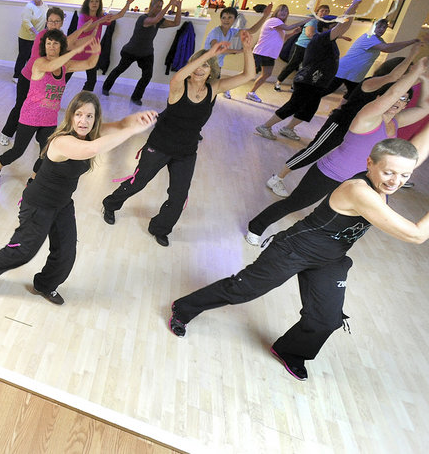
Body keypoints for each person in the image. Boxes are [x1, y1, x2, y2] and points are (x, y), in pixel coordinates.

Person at [170, 137, 429, 381]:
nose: (396, 181)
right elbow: (416, 235)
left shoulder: (389, 171)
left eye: (405, 175)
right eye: (389, 173)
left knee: (327, 319)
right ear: (370, 163)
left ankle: (289, 351)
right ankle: (183, 308)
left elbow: (415, 151)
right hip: (294, 249)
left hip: (330, 259)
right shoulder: (358, 191)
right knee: (242, 290)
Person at [0, 93, 157, 305]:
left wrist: (137, 119)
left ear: (95, 118)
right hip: (38, 204)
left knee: (66, 252)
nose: (83, 121)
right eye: (78, 114)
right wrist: (133, 131)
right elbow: (92, 149)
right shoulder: (62, 141)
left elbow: (119, 125)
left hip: (62, 203)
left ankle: (45, 284)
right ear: (70, 116)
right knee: (25, 251)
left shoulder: (90, 133)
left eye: (89, 116)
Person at [245, 58, 429, 245]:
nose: (398, 101)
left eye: (404, 99)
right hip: (331, 173)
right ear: (380, 98)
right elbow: (393, 92)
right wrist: (415, 72)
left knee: (334, 219)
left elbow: (425, 107)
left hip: (359, 183)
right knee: (295, 203)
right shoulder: (368, 117)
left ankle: (294, 243)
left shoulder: (396, 122)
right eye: (396, 97)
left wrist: (424, 79)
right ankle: (256, 226)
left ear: (406, 104)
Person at [101, 31, 256, 247]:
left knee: (179, 196)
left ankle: (160, 228)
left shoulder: (214, 89)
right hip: (159, 145)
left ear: (212, 71)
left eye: (205, 66)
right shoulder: (178, 87)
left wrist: (248, 49)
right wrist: (209, 53)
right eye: (196, 65)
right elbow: (178, 76)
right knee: (138, 183)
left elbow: (249, 76)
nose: (200, 69)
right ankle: (110, 204)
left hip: (186, 151)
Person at [263, 48, 420, 198]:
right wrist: (412, 56)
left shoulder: (392, 91)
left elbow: (405, 83)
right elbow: (394, 77)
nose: (408, 77)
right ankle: (277, 178)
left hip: (357, 131)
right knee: (314, 151)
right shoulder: (372, 82)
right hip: (340, 124)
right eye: (407, 72)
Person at [0, 32, 101, 189]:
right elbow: (51, 66)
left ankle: (33, 179)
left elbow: (89, 64)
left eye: (55, 43)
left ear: (61, 46)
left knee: (46, 153)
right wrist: (74, 51)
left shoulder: (65, 66)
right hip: (30, 117)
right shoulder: (39, 63)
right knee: (18, 151)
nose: (51, 47)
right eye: (48, 43)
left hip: (49, 119)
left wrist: (96, 51)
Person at [254, 0, 362, 142]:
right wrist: (354, 6)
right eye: (334, 26)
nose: (337, 28)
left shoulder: (328, 40)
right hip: (308, 81)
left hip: (317, 83)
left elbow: (342, 27)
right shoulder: (322, 38)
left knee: (309, 109)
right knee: (294, 105)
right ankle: (266, 126)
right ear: (325, 27)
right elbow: (344, 25)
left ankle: (288, 128)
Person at [0, 7, 98, 146]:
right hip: (28, 78)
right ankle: (6, 133)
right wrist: (82, 30)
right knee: (21, 107)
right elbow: (70, 43)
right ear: (46, 22)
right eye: (50, 21)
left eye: (57, 21)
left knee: (43, 108)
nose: (53, 24)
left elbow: (72, 43)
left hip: (43, 82)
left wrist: (91, 37)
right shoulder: (43, 36)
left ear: (62, 23)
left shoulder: (60, 37)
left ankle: (38, 136)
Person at [100, 0, 182, 106]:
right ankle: (105, 87)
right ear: (150, 6)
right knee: (119, 69)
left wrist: (178, 7)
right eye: (157, 6)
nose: (159, 9)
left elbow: (176, 23)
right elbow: (155, 19)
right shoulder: (143, 18)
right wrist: (170, 4)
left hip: (147, 53)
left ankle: (136, 97)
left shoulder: (160, 21)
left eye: (161, 7)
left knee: (147, 76)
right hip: (131, 51)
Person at [322, 19, 424, 101]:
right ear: (374, 26)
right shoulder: (368, 37)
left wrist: (410, 43)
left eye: (384, 27)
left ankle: (339, 111)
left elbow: (389, 48)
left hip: (354, 74)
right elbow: (386, 48)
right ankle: (310, 103)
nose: (381, 29)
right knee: (328, 90)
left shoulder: (379, 40)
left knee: (353, 94)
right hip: (345, 70)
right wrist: (411, 42)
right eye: (379, 26)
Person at [69, 0, 139, 92]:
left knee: (92, 81)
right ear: (87, 3)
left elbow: (119, 15)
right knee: (66, 76)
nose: (94, 3)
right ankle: (53, 97)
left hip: (92, 52)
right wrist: (100, 20)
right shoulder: (83, 16)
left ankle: (83, 101)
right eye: (92, 1)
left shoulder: (101, 16)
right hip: (78, 51)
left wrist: (128, 3)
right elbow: (85, 29)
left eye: (97, 1)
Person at [202, 3, 272, 99]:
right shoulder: (216, 32)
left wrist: (265, 16)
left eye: (229, 17)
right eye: (224, 17)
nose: (226, 20)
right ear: (220, 19)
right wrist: (240, 50)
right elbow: (217, 49)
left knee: (212, 90)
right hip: (206, 63)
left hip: (217, 64)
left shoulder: (232, 31)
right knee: (205, 88)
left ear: (234, 19)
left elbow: (252, 30)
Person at [246, 4, 308, 103]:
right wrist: (306, 20)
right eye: (281, 11)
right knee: (248, 74)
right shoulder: (274, 21)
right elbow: (289, 27)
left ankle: (251, 93)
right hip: (261, 52)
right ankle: (227, 87)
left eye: (286, 11)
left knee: (266, 74)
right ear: (276, 12)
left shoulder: (280, 25)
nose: (283, 13)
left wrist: (293, 33)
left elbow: (282, 38)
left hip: (269, 54)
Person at [273, 4, 332, 92]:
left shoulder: (325, 24)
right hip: (301, 46)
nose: (324, 13)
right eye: (322, 11)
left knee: (303, 68)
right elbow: (309, 34)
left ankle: (295, 84)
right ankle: (278, 82)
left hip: (312, 49)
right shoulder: (312, 21)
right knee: (292, 65)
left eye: (326, 11)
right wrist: (322, 39)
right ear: (317, 12)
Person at [12, 0, 49, 82]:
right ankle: (16, 76)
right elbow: (26, 21)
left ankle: (29, 76)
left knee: (34, 57)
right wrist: (36, 32)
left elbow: (47, 18)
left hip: (38, 38)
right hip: (26, 37)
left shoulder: (45, 6)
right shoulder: (29, 6)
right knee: (23, 56)